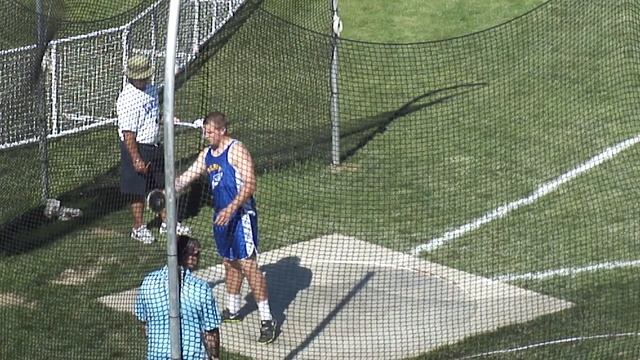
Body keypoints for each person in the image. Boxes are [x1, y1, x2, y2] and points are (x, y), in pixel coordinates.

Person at [174, 111, 276, 344]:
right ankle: (232, 309)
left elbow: (250, 184)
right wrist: (168, 189)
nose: (206, 136)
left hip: (241, 216)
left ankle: (267, 319)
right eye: (205, 132)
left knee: (248, 265)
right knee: (229, 262)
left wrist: (231, 209)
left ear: (222, 131)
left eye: (210, 132)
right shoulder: (207, 155)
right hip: (221, 218)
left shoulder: (236, 150)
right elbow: (186, 177)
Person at [116, 53, 191, 244]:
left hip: (155, 145)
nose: (145, 78)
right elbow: (128, 134)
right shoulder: (127, 100)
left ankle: (167, 222)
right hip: (137, 148)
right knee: (137, 190)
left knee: (164, 184)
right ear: (133, 76)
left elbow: (151, 117)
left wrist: (166, 121)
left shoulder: (150, 89)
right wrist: (136, 159)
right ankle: (138, 227)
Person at [135, 235, 221, 360]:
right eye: (196, 255)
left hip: (156, 355)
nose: (198, 258)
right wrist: (215, 357)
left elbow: (143, 321)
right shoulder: (201, 288)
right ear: (189, 257)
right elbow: (211, 333)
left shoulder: (148, 282)